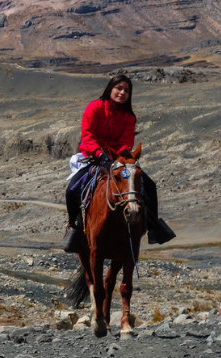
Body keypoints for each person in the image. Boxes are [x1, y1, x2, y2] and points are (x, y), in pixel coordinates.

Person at [63, 75, 175, 253]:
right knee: (71, 190)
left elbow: (126, 142)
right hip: (92, 158)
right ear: (110, 89)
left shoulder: (128, 117)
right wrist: (100, 155)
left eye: (126, 91)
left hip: (117, 161)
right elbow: (88, 135)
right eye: (119, 88)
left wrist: (119, 157)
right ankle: (74, 228)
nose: (122, 93)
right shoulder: (95, 107)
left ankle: (154, 226)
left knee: (150, 187)